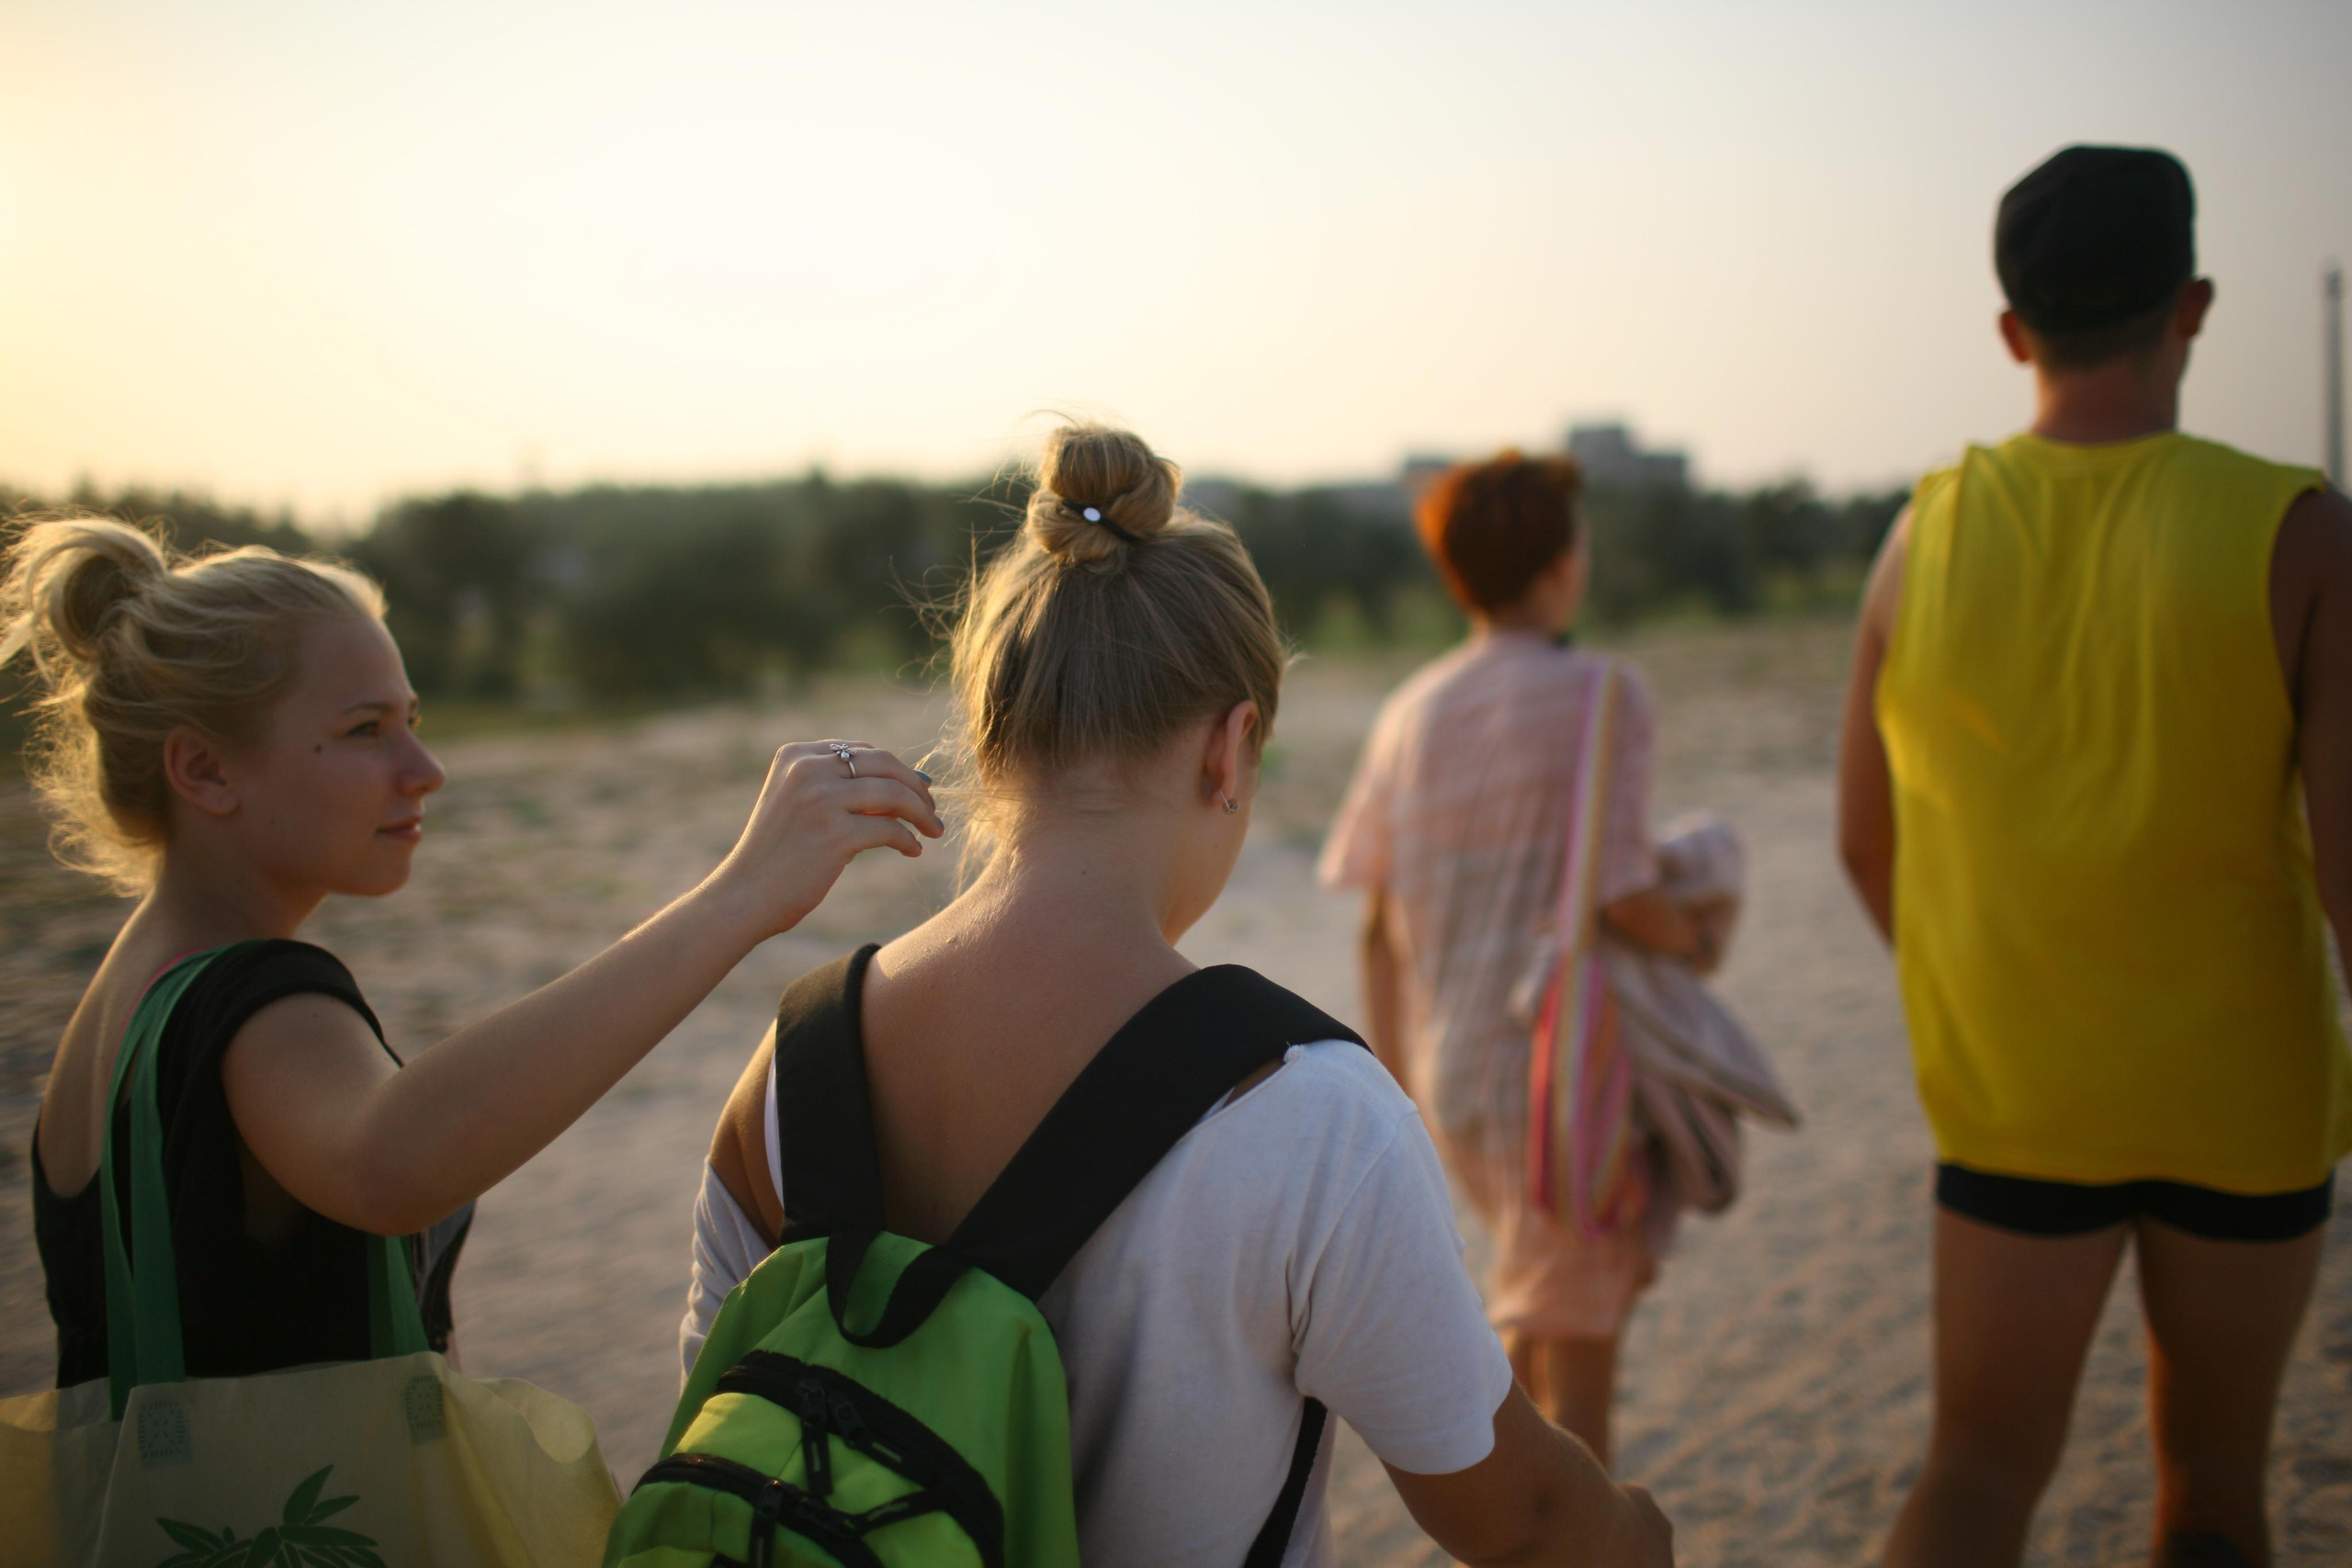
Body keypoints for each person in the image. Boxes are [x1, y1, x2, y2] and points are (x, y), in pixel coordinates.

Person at [680, 425, 1674, 1568]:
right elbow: (1528, 1522)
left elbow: (722, 1447)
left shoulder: (783, 1079)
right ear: (1231, 750)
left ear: (995, 736)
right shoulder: (1310, 1119)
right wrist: (1640, 1528)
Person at [8, 515, 941, 1388]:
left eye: (413, 720)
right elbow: (391, 1162)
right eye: (366, 730)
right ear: (204, 769)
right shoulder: (256, 1004)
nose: (426, 770)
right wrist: (736, 899)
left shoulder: (120, 1003)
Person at [1837, 145, 2352, 1568]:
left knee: (1978, 1478)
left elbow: (1864, 843)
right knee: (2217, 1493)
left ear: (2015, 333)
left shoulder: (1915, 538)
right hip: (2248, 1101)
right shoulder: (2304, 534)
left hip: (2020, 1098)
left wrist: (2000, 990)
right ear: (2192, 306)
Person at [1319, 452, 1724, 1468]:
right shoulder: (1604, 694)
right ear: (1556, 565)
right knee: (1577, 1379)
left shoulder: (1411, 710)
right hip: (1564, 1071)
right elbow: (1623, 893)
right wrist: (1700, 936)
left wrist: (1397, 1085)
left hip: (1453, 1073)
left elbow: (1377, 926)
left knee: (1532, 1319)